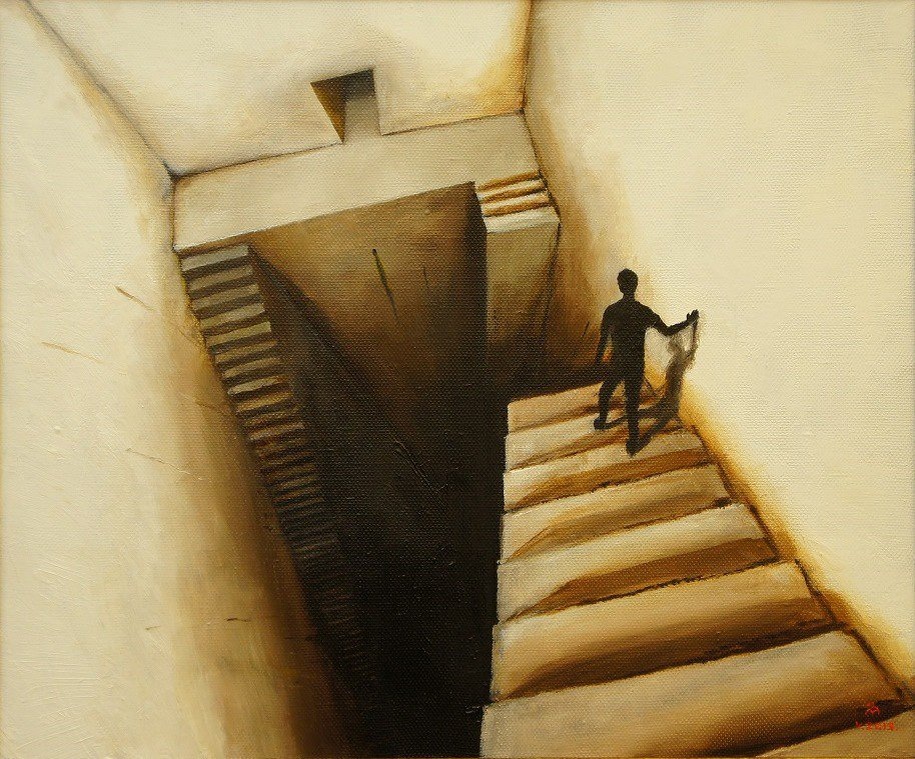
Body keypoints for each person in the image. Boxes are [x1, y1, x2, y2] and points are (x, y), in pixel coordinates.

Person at [594, 269, 698, 455]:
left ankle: (602, 422)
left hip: (618, 362)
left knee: (605, 392)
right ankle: (633, 442)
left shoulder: (612, 311)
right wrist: (688, 322)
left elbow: (603, 339)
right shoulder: (644, 312)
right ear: (635, 286)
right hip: (635, 364)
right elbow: (667, 331)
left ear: (620, 286)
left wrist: (597, 362)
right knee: (632, 403)